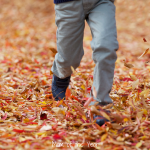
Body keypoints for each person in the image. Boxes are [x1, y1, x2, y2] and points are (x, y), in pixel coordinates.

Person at [51, 0, 118, 126]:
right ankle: (61, 76)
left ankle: (100, 103)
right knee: (69, 58)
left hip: (101, 2)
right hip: (68, 3)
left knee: (107, 47)